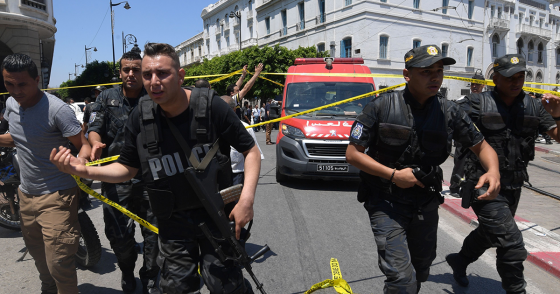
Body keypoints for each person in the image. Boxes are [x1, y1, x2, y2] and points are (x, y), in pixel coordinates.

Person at [50, 42, 262, 294]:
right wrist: (83, 170)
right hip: (173, 221)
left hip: (216, 214)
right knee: (175, 287)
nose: (153, 81)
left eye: (162, 73)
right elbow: (126, 169)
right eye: (148, 74)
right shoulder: (140, 117)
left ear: (180, 75)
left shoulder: (211, 106)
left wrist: (246, 200)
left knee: (225, 284)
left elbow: (251, 151)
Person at [345, 45, 501, 294]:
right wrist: (394, 176)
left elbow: (482, 147)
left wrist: (493, 171)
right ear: (407, 75)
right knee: (401, 280)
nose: (436, 77)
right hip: (386, 201)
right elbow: (352, 154)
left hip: (425, 201)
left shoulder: (449, 111)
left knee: (421, 270)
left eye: (439, 71)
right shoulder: (381, 106)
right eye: (427, 71)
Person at [446, 54, 560, 294]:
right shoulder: (476, 103)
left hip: (514, 186)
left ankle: (460, 260)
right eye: (510, 77)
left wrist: (558, 114)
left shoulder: (534, 105)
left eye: (521, 76)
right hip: (483, 183)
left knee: (490, 234)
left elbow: (556, 135)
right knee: (512, 244)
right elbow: (445, 119)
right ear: (495, 78)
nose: (516, 82)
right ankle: (516, 290)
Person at [1, 53, 91, 294]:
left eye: (22, 84)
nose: (15, 90)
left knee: (59, 262)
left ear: (37, 80)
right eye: (9, 84)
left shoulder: (57, 109)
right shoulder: (10, 105)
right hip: (26, 195)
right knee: (38, 255)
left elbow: (83, 144)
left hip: (58, 195)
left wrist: (79, 163)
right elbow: (19, 139)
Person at [87, 50, 160, 294]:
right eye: (126, 69)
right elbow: (95, 127)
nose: (131, 74)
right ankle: (127, 271)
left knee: (154, 235)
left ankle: (150, 275)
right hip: (116, 178)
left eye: (136, 70)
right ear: (120, 72)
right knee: (119, 234)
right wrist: (95, 142)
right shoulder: (106, 98)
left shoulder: (154, 96)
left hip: (152, 177)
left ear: (143, 72)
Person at [449, 72, 486, 197]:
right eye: (473, 84)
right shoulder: (463, 101)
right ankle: (454, 187)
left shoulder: (488, 101)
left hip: (481, 139)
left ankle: (474, 187)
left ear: (484, 85)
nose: (475, 87)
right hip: (464, 139)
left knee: (479, 165)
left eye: (478, 84)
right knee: (460, 163)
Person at [221, 95, 264, 185]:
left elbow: (256, 156)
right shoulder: (211, 127)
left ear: (233, 110)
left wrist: (250, 182)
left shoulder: (245, 128)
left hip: (237, 174)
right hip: (218, 174)